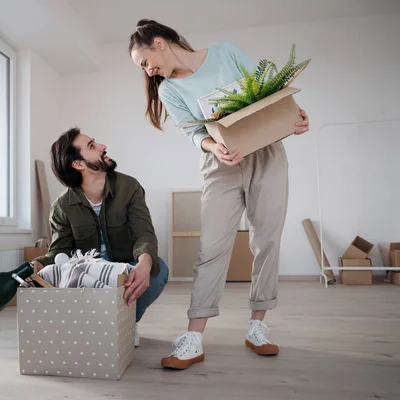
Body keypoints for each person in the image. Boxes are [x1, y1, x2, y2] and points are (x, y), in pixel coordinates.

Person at [128, 20, 310, 369]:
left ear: (160, 42)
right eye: (143, 68)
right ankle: (193, 337)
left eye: (145, 61)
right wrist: (215, 146)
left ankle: (258, 326)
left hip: (266, 152)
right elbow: (194, 132)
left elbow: (265, 94)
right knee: (211, 248)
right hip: (220, 164)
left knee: (267, 240)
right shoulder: (168, 89)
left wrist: (296, 116)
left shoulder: (224, 51)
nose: (148, 71)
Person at [32, 127, 170, 347]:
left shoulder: (129, 187)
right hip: (90, 274)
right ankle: (96, 325)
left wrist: (144, 261)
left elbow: (144, 232)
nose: (102, 146)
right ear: (78, 164)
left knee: (158, 270)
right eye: (92, 146)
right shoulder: (61, 207)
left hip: (124, 267)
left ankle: (127, 322)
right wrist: (39, 264)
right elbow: (59, 252)